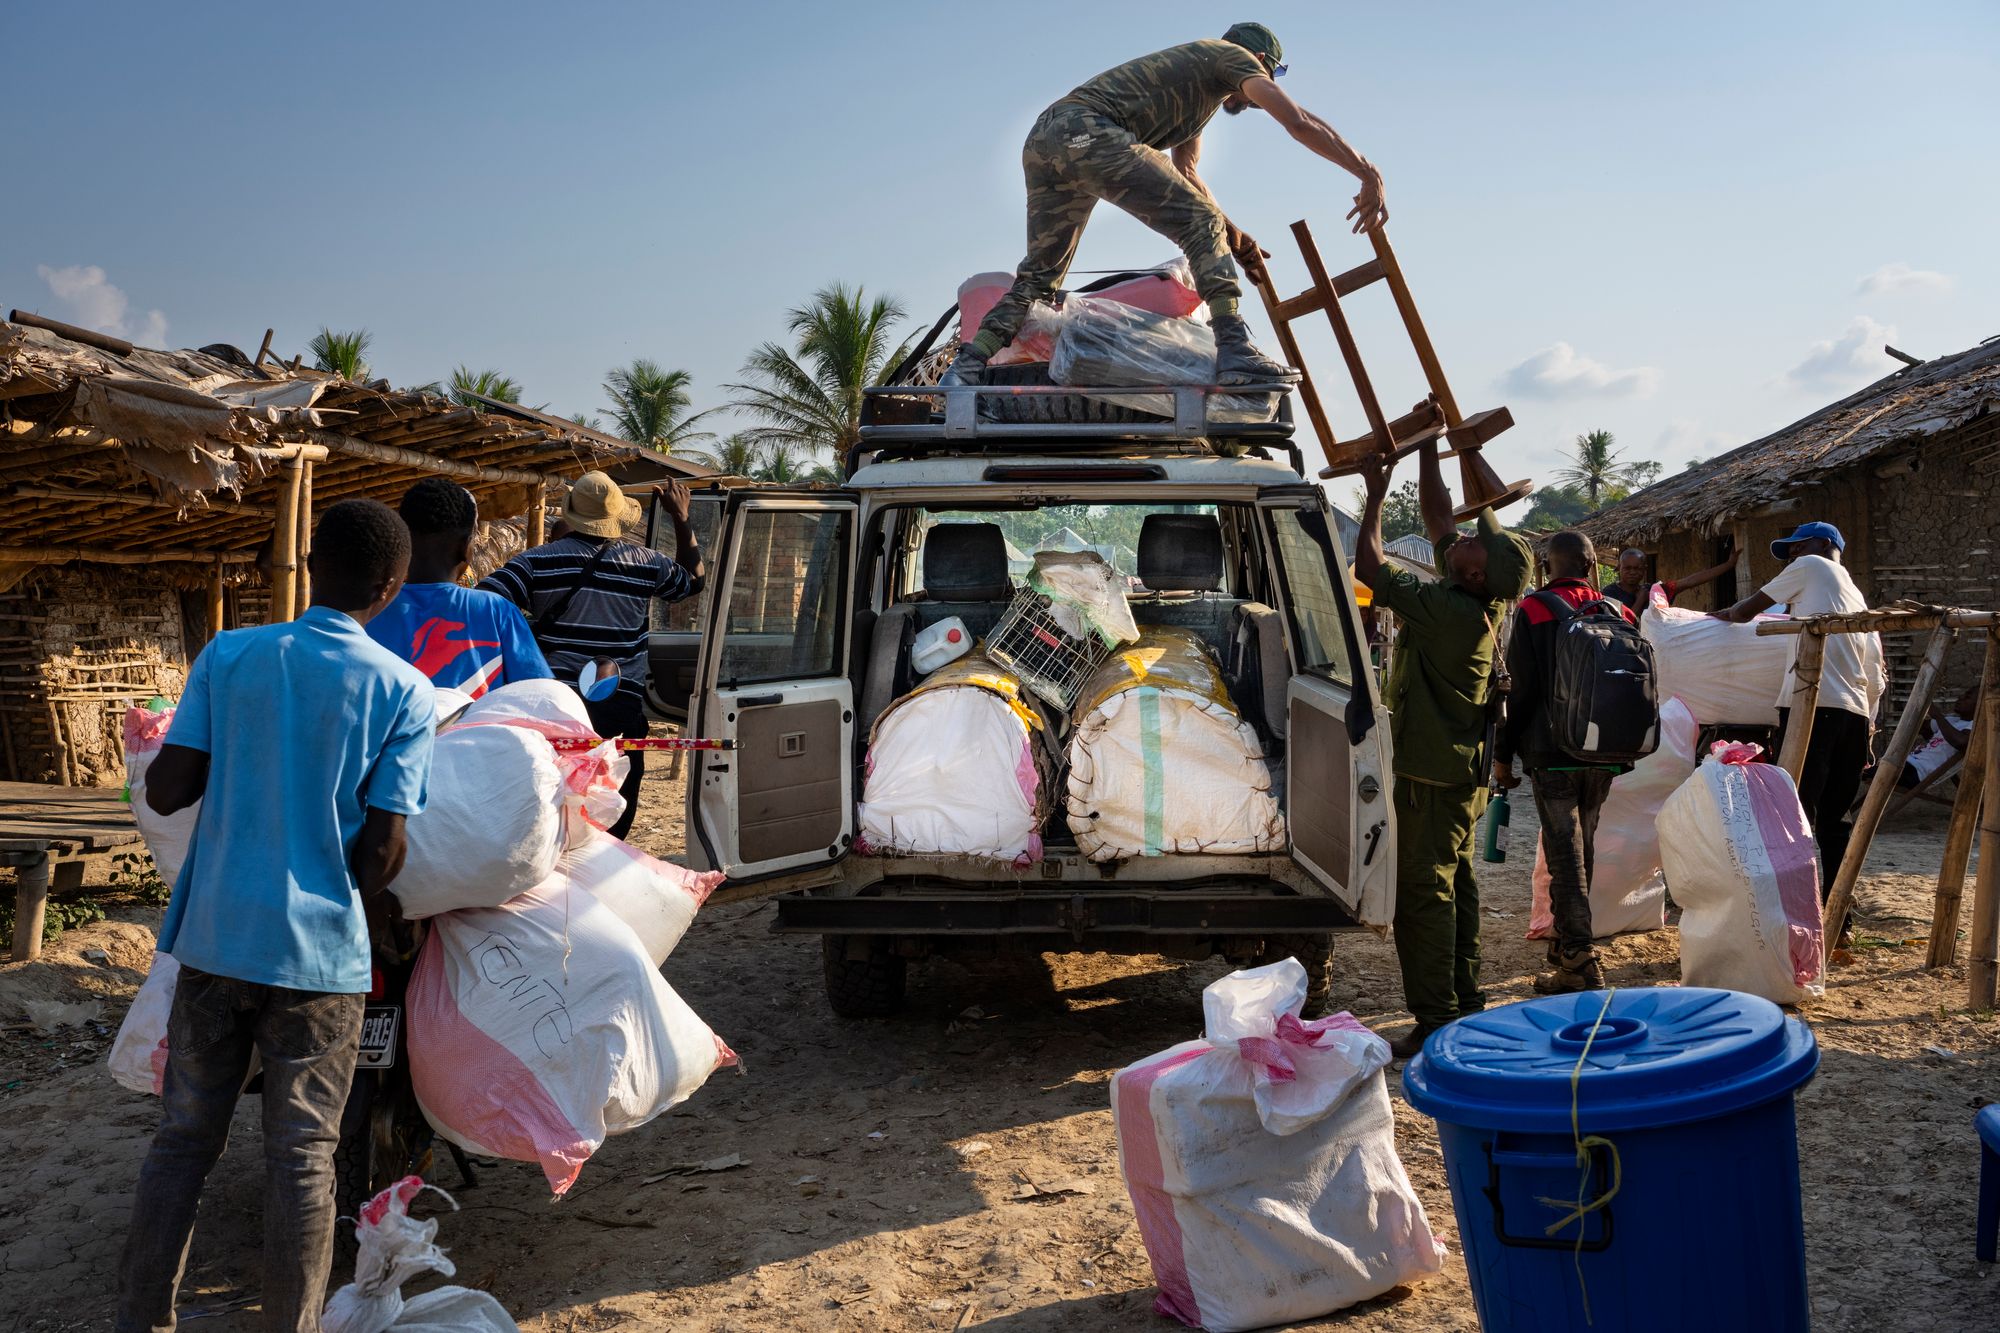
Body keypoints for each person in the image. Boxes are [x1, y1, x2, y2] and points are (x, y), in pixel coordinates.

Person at [117, 499, 434, 1333]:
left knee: (183, 1141)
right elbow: (384, 853)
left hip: (215, 940)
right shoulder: (405, 691)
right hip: (320, 960)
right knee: (302, 1160)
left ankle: (141, 1319)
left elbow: (167, 788)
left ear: (309, 565)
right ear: (391, 585)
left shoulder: (231, 653)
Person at [942, 22, 1388, 389]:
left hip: (1046, 140)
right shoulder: (1233, 58)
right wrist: (1366, 171)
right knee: (1200, 220)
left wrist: (1236, 238)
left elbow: (1188, 175)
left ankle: (965, 368)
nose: (1255, 95)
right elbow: (1298, 121)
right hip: (1088, 130)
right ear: (1263, 66)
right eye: (1269, 78)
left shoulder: (1201, 89)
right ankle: (1233, 349)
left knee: (1039, 279)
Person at [1355, 440, 1532, 1058]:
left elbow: (1371, 571)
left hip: (1430, 779)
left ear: (1474, 572)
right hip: (1461, 777)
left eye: (1470, 543)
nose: (1457, 538)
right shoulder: (1476, 597)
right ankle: (1464, 1002)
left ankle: (1436, 1019)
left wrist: (1375, 493)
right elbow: (1439, 517)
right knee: (1456, 885)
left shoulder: (1450, 612)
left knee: (1423, 897)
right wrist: (1427, 446)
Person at [481, 471, 703, 840]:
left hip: (555, 706)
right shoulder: (646, 562)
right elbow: (693, 581)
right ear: (616, 516)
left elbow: (487, 602)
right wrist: (681, 518)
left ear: (572, 514)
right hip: (617, 704)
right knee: (614, 796)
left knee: (550, 793)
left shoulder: (536, 561)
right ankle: (602, 860)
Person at [1712, 521, 1885, 924]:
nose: (1792, 553)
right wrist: (1869, 734)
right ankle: (1838, 915)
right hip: (1855, 714)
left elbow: (1744, 612)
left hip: (1813, 706)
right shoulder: (1857, 596)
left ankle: (1795, 915)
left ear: (1823, 544)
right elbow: (1875, 675)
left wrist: (1719, 615)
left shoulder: (1811, 566)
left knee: (1796, 813)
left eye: (1796, 544)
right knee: (1835, 822)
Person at [1497, 530, 1637, 993]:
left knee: (1564, 851)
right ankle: (1564, 944)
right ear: (1594, 565)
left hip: (1552, 751)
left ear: (1546, 568)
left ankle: (1578, 960)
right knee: (1583, 847)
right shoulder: (1622, 612)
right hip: (1606, 750)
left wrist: (1502, 754)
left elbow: (1518, 692)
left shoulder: (1534, 609)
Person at [366, 477, 551, 698]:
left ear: (403, 543)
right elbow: (540, 694)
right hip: (478, 732)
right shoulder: (497, 612)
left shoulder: (370, 611)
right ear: (466, 548)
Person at [1601, 539, 1736, 614]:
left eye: (1637, 568)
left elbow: (1689, 581)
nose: (1632, 572)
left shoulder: (1655, 592)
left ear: (1644, 570)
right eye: (1627, 568)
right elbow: (1621, 623)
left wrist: (1728, 565)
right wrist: (1640, 601)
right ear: (1619, 568)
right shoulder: (1609, 594)